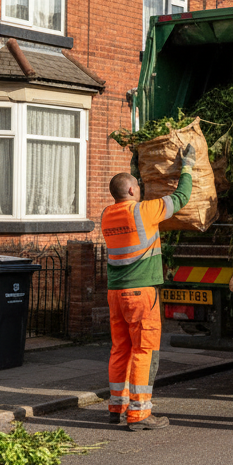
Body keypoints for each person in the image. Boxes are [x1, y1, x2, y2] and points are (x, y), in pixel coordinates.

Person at [100, 143, 196, 431]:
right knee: (145, 350)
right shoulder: (144, 212)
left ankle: (117, 407)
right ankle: (140, 412)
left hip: (115, 293)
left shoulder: (107, 215)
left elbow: (128, 192)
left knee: (120, 349)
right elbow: (181, 197)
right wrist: (187, 166)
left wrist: (134, 167)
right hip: (141, 294)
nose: (140, 190)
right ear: (132, 192)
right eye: (137, 187)